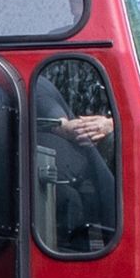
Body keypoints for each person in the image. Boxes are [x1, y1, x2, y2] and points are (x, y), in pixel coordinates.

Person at [34, 57, 117, 252]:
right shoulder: (41, 81)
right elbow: (69, 128)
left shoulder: (103, 74)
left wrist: (110, 124)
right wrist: (63, 126)